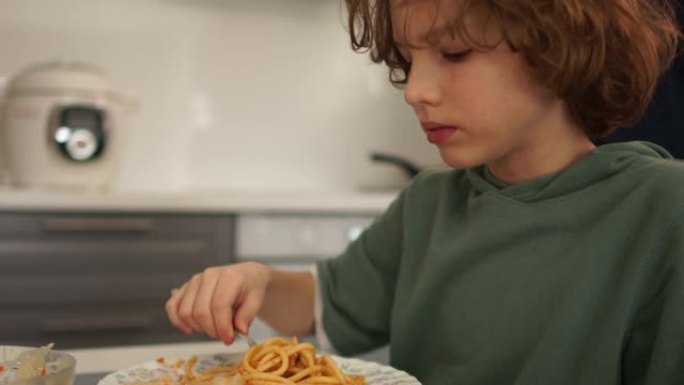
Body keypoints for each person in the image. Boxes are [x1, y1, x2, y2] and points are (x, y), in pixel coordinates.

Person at [166, 0, 684, 383]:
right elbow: (321, 304)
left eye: (454, 53)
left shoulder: (663, 209)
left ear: (562, 50)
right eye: (410, 60)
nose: (415, 91)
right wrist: (254, 278)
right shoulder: (430, 201)